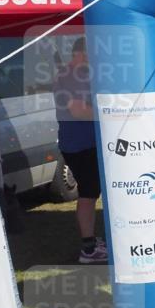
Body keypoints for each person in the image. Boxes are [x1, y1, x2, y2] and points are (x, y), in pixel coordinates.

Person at [53, 38, 107, 263]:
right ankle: (89, 249)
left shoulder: (76, 75)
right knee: (88, 193)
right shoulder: (70, 77)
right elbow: (78, 111)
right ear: (83, 53)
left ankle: (92, 243)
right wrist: (108, 112)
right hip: (79, 144)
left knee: (91, 192)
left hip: (84, 143)